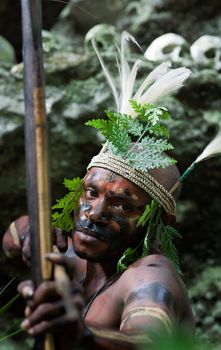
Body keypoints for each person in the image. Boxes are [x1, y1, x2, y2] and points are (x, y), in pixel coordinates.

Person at [2, 32, 195, 349]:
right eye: (91, 193)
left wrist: (83, 336)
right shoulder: (69, 253)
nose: (96, 213)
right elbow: (11, 239)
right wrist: (29, 232)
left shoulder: (151, 277)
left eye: (122, 205)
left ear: (159, 221)